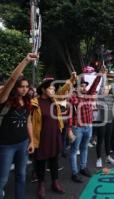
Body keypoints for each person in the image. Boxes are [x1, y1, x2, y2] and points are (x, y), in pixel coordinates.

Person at [31, 72, 77, 198]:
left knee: (54, 160)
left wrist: (71, 79)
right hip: (41, 137)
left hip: (54, 134)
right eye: (50, 88)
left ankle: (55, 182)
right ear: (43, 90)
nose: (53, 90)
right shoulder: (34, 103)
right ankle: (41, 185)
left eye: (53, 88)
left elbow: (63, 91)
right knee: (40, 162)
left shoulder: (54, 99)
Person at [0, 53, 37, 199]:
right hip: (6, 145)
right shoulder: (5, 100)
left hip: (22, 144)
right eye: (21, 87)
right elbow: (12, 79)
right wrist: (26, 60)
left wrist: (32, 140)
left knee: (21, 176)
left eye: (27, 87)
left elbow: (28, 121)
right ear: (15, 87)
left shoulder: (27, 101)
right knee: (2, 179)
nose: (24, 89)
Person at [68, 73, 102, 183]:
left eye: (84, 85)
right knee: (74, 150)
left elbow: (94, 85)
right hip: (77, 128)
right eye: (81, 85)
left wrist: (100, 74)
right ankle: (74, 173)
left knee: (84, 148)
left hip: (88, 126)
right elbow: (69, 114)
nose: (83, 87)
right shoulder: (73, 98)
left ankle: (83, 168)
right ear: (76, 87)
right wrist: (69, 130)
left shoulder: (88, 94)